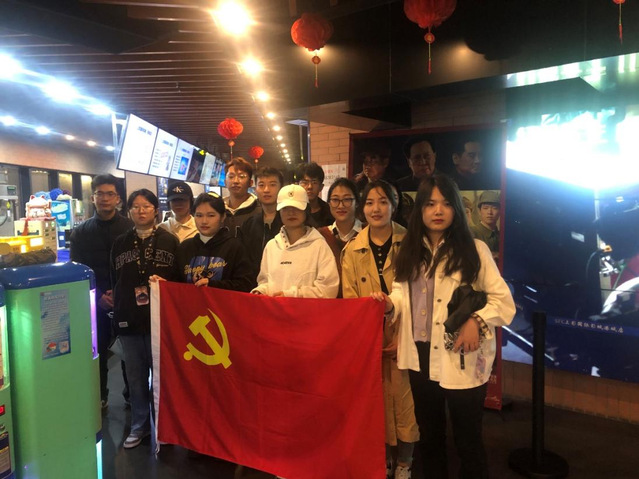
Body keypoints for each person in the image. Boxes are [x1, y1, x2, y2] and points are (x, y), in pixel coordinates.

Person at [373, 174, 515, 479]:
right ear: (420, 210)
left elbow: (504, 303)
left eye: (446, 203)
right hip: (419, 356)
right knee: (430, 437)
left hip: (460, 355)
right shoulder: (410, 250)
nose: (438, 210)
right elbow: (401, 293)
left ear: (457, 210)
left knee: (468, 440)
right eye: (430, 204)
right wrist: (389, 304)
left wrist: (477, 320)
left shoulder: (475, 250)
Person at [341, 180, 419, 479]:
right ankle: (381, 456)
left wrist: (404, 337)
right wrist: (367, 339)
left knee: (405, 400)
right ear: (362, 207)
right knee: (375, 400)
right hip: (369, 338)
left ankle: (405, 462)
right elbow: (351, 301)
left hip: (405, 334)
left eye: (383, 201)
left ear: (394, 206)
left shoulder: (411, 243)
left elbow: (419, 296)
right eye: (370, 202)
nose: (376, 209)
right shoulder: (352, 249)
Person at [111, 189, 180, 449]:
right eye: (136, 207)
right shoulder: (120, 243)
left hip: (160, 320)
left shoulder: (169, 241)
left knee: (163, 376)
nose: (141, 211)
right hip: (129, 318)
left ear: (156, 210)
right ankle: (139, 425)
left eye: (146, 206)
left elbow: (179, 280)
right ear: (129, 211)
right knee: (136, 377)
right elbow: (115, 279)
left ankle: (165, 427)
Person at [69, 174, 133, 410]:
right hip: (95, 304)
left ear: (118, 198)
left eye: (110, 194)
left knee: (129, 352)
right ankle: (99, 396)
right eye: (100, 194)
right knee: (96, 352)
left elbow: (135, 268)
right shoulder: (81, 233)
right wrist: (98, 298)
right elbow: (78, 272)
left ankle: (131, 395)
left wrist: (120, 294)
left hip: (126, 301)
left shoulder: (130, 228)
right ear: (92, 197)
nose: (104, 198)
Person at [252, 184, 339, 298]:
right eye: (285, 208)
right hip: (275, 309)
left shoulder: (319, 245)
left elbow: (328, 290)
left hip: (304, 310)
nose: (291, 212)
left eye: (297, 208)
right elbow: (265, 281)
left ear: (306, 210)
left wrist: (293, 295)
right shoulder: (272, 246)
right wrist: (260, 291)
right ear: (279, 212)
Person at [176, 192, 254, 292]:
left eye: (211, 215)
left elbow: (245, 285)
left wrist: (213, 285)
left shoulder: (235, 247)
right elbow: (175, 284)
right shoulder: (184, 248)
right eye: (199, 215)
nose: (204, 221)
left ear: (223, 217)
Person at [239, 167, 284, 281]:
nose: (266, 190)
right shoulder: (249, 224)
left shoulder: (289, 222)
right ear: (255, 189)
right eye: (261, 185)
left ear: (281, 188)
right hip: (253, 285)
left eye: (272, 185)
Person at [223, 157, 261, 235]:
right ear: (225, 182)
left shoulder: (259, 209)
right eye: (231, 177)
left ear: (250, 183)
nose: (236, 181)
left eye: (241, 176)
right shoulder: (217, 209)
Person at [296, 162, 334, 227]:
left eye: (314, 182)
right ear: (297, 186)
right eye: (305, 182)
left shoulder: (329, 211)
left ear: (321, 187)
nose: (310, 187)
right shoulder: (291, 210)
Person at [470, 190, 500, 261]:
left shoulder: (501, 235)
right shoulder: (471, 233)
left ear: (500, 211)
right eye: (485, 208)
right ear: (479, 211)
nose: (490, 212)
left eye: (495, 208)